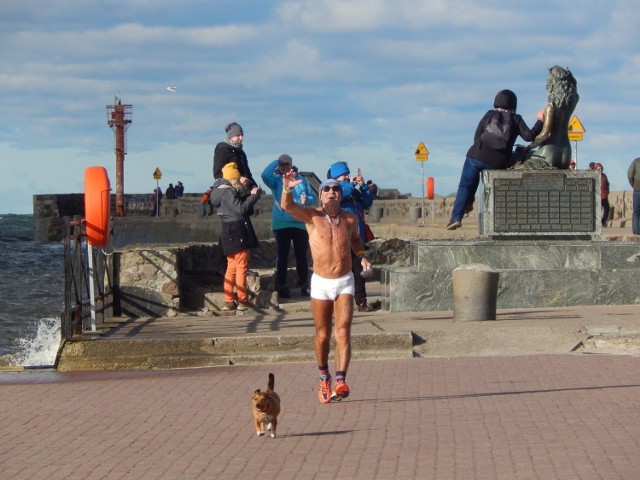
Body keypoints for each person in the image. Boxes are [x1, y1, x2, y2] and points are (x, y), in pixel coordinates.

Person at [281, 172, 372, 404]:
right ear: (320, 196)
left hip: (345, 280)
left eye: (336, 189)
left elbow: (355, 240)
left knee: (343, 331)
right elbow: (287, 206)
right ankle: (324, 378)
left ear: (341, 195)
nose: (332, 192)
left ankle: (340, 379)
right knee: (323, 334)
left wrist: (361, 256)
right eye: (327, 189)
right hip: (321, 282)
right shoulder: (312, 216)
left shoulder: (349, 219)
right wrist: (288, 188)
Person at [446, 90, 544, 230]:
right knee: (490, 189)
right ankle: (486, 217)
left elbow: (477, 136)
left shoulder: (488, 115)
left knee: (465, 186)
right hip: (497, 161)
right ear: (514, 104)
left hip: (476, 154)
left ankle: (456, 218)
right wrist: (540, 120)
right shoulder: (516, 119)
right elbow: (529, 136)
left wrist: (481, 153)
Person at [261, 154, 316, 298]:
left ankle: (304, 285)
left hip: (300, 222)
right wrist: (276, 162)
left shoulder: (301, 180)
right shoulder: (276, 181)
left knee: (301, 256)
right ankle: (282, 285)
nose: (285, 167)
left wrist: (307, 200)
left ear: (292, 165)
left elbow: (312, 197)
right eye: (282, 165)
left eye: (287, 165)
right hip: (281, 222)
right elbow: (264, 175)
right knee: (282, 255)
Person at [210, 162, 262, 311]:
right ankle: (242, 300)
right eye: (238, 178)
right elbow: (241, 208)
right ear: (233, 178)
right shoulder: (229, 192)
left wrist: (246, 189)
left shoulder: (219, 190)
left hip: (226, 229)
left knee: (231, 266)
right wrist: (252, 196)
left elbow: (236, 197)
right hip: (237, 228)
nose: (239, 180)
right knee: (241, 266)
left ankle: (228, 301)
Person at [328, 161, 375, 311]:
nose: (347, 176)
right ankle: (337, 301)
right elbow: (341, 192)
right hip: (340, 238)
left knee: (358, 270)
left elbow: (367, 202)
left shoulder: (353, 191)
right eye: (344, 174)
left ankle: (361, 301)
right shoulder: (334, 189)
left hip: (357, 237)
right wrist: (352, 184)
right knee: (340, 271)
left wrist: (363, 187)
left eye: (348, 173)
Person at [212, 122, 258, 188]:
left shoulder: (241, 153)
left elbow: (248, 174)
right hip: (229, 189)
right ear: (231, 136)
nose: (241, 138)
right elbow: (217, 174)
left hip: (245, 188)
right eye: (238, 135)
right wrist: (238, 179)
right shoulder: (222, 149)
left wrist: (254, 186)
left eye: (242, 135)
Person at [628, 157, 640, 235]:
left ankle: (636, 231)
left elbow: (630, 175)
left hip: (638, 188)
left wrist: (634, 185)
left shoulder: (636, 161)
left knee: (636, 211)